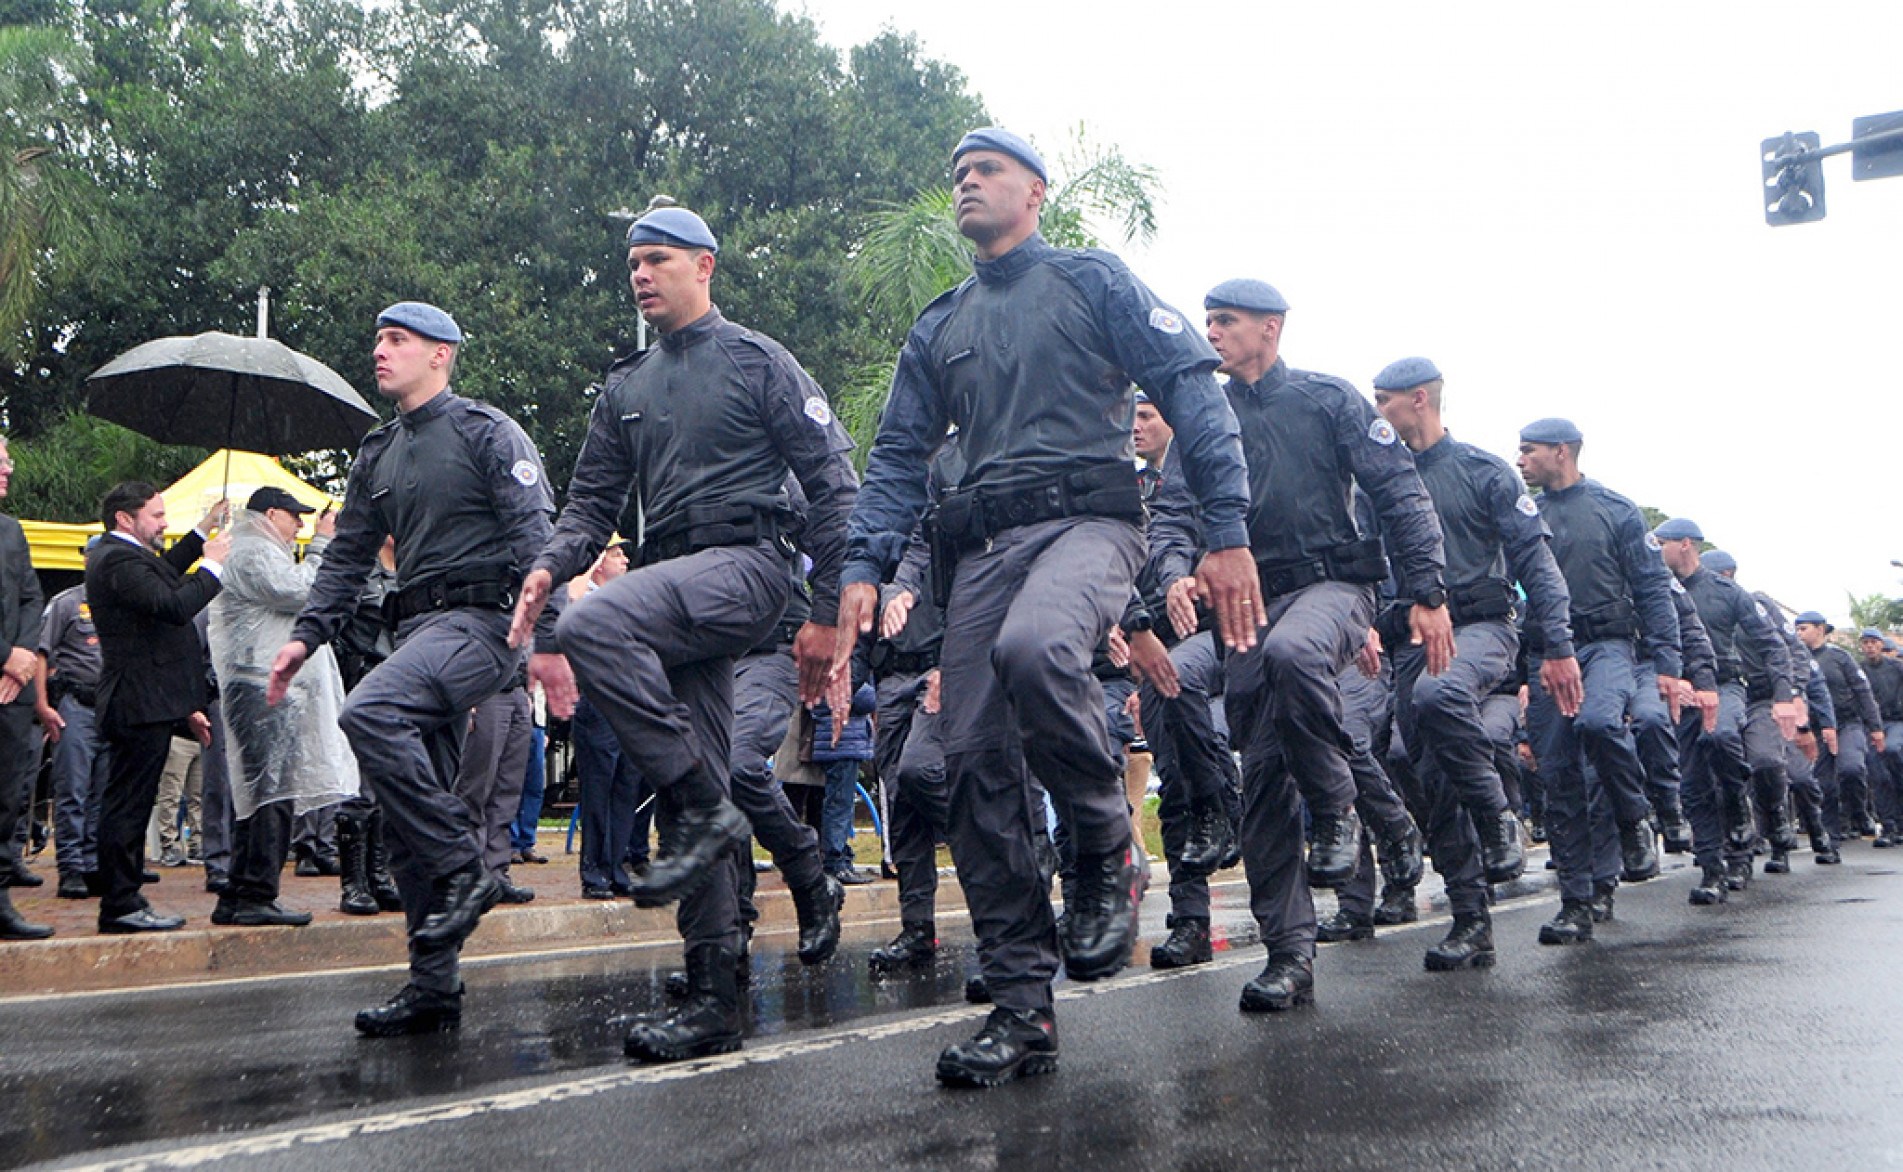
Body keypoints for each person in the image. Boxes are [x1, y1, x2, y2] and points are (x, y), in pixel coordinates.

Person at [838, 128, 1258, 1087]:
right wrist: (864, 564)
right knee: (970, 767)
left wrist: (1226, 529)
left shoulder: (1090, 280)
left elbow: (1191, 389)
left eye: (985, 170)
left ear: (1034, 188)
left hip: (1090, 527)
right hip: (982, 549)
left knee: (1037, 650)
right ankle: (1023, 1012)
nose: (965, 184)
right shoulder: (940, 322)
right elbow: (899, 454)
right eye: (956, 174)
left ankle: (1106, 841)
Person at [509, 206, 858, 1065]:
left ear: (705, 265)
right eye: (632, 262)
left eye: (657, 259)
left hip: (748, 568)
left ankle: (719, 819)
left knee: (600, 624)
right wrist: (550, 565)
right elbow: (589, 503)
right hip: (676, 591)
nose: (639, 274)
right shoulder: (624, 385)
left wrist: (825, 613)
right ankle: (712, 990)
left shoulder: (757, 360)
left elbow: (832, 482)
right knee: (693, 782)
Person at [270, 300, 556, 1036]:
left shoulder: (487, 432)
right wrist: (306, 636)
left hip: (486, 623)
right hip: (420, 630)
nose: (380, 352)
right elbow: (346, 557)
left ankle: (467, 868)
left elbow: (536, 535)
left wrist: (547, 641)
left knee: (369, 711)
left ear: (442, 353)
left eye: (397, 340)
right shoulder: (378, 451)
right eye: (377, 339)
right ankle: (433, 986)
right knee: (406, 821)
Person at [1203, 281, 1450, 1009]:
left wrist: (1429, 596)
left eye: (1225, 321)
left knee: (1294, 654)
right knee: (1262, 778)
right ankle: (1289, 957)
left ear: (1269, 328)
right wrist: (1173, 575)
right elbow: (1178, 515)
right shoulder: (1205, 416)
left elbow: (1400, 493)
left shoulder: (1328, 398)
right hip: (1250, 605)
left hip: (1335, 590)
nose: (1210, 332)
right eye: (1207, 320)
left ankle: (1339, 808)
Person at [1371, 357, 1579, 970]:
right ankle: (1470, 920)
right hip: (1409, 639)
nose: (1374, 411)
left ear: (1419, 399)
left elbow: (1537, 566)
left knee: (1440, 698)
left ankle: (1498, 814)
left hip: (1481, 628)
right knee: (1427, 773)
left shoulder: (1483, 471)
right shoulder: (1376, 481)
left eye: (1382, 400)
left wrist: (1559, 647)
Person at [1515, 421, 1680, 942]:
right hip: (1547, 654)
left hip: (1608, 644)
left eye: (1529, 450)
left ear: (1560, 452)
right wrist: (1519, 675)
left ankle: (1636, 816)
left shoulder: (1616, 509)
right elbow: (1513, 597)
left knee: (1601, 724)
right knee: (1560, 774)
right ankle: (1579, 899)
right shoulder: (1526, 516)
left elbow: (1653, 589)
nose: (1520, 459)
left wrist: (1670, 666)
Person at [207, 486, 357, 926]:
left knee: (264, 793)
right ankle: (255, 893)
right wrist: (324, 544)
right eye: (295, 517)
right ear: (272, 513)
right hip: (259, 686)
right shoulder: (253, 550)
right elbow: (300, 592)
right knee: (271, 794)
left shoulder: (256, 548)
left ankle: (242, 892)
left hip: (257, 683)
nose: (300, 527)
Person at [85, 482, 229, 934]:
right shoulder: (115, 559)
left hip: (148, 699)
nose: (164, 523)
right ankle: (120, 903)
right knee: (128, 805)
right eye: (157, 515)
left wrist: (201, 532)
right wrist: (213, 566)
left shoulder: (128, 558)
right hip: (135, 700)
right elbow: (172, 603)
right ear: (125, 519)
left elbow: (163, 572)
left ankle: (125, 898)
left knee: (133, 802)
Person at [1652, 517, 1797, 903]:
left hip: (1726, 686)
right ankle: (1714, 869)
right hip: (1677, 693)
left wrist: (1784, 695)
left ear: (1685, 544)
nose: (1655, 549)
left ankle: (1738, 803)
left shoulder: (1728, 592)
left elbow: (1772, 645)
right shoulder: (1653, 589)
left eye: (1661, 542)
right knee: (1694, 783)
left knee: (1721, 736)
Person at [0, 435, 51, 938]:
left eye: (8, 460)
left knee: (8, 794)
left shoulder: (11, 531)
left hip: (10, 692)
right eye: (0, 462)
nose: (8, 470)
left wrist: (19, 659)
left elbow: (32, 599)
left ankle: (0, 899)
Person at [35, 577, 109, 901]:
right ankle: (71, 867)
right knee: (73, 789)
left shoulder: (118, 601)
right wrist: (42, 705)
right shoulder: (66, 602)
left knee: (102, 795)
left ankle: (92, 864)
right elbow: (41, 654)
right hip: (75, 704)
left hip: (110, 707)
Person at [1796, 612, 1884, 843]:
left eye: (1803, 628)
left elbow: (1862, 691)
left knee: (1851, 768)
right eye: (1796, 629)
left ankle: (1859, 813)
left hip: (1846, 723)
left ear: (1821, 629)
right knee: (1822, 782)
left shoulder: (1840, 657)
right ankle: (1832, 835)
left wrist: (1875, 727)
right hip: (1815, 728)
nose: (1798, 633)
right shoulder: (1795, 658)